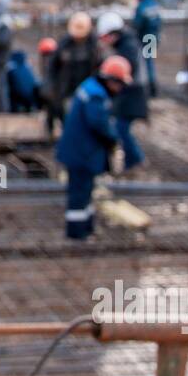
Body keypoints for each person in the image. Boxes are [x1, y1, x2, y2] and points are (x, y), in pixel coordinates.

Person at [55, 55, 132, 240]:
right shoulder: (96, 95)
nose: (120, 89)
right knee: (79, 195)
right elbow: (99, 123)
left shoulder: (91, 86)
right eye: (119, 84)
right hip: (82, 154)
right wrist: (113, 140)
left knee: (86, 192)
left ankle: (87, 228)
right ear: (111, 80)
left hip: (79, 151)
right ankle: (77, 234)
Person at [96, 10, 147, 170]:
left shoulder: (128, 46)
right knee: (120, 127)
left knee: (121, 128)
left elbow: (125, 71)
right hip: (130, 92)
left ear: (114, 33)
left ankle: (135, 160)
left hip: (134, 93)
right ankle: (133, 160)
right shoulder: (125, 43)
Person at [43, 12, 100, 137]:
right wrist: (50, 85)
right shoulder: (64, 44)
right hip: (66, 84)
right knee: (59, 109)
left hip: (86, 84)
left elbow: (98, 67)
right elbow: (53, 66)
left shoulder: (94, 46)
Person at [131, 0, 162, 98]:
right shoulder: (153, 4)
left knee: (147, 62)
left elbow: (137, 24)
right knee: (149, 61)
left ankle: (151, 87)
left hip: (146, 37)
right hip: (153, 37)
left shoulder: (141, 7)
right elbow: (159, 22)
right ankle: (151, 86)